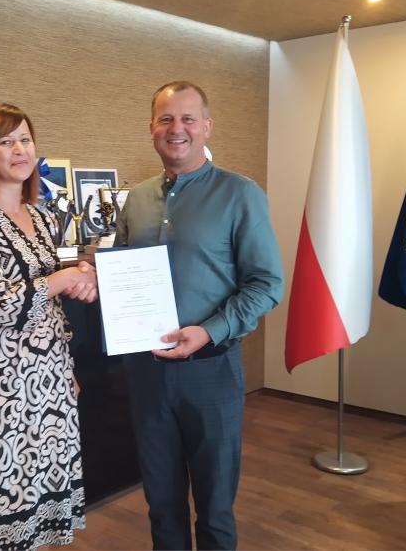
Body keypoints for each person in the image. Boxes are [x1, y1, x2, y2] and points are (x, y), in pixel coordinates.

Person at [115, 81, 284, 550]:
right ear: (151, 128)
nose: (177, 129)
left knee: (214, 506)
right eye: (166, 118)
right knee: (161, 503)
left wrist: (207, 332)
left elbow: (267, 284)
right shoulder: (136, 199)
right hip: (146, 372)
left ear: (207, 126)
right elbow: (122, 270)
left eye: (188, 118)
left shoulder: (240, 194)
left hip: (211, 371)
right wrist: (92, 276)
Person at [0, 103, 97, 551]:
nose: (20, 150)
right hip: (2, 375)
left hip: (49, 369)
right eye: (6, 141)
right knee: (6, 480)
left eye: (25, 139)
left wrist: (81, 276)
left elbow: (50, 297)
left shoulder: (42, 216)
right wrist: (61, 280)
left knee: (45, 479)